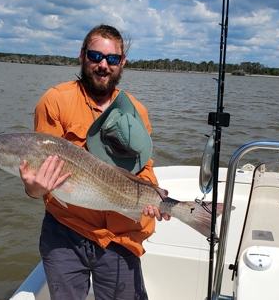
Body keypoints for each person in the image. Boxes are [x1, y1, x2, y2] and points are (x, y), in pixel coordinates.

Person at [19, 24, 169, 300]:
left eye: (112, 59)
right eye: (95, 56)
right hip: (66, 231)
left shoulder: (137, 111)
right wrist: (33, 189)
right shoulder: (56, 101)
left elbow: (144, 166)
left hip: (121, 233)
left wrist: (154, 198)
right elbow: (40, 168)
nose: (103, 65)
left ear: (122, 62)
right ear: (82, 56)